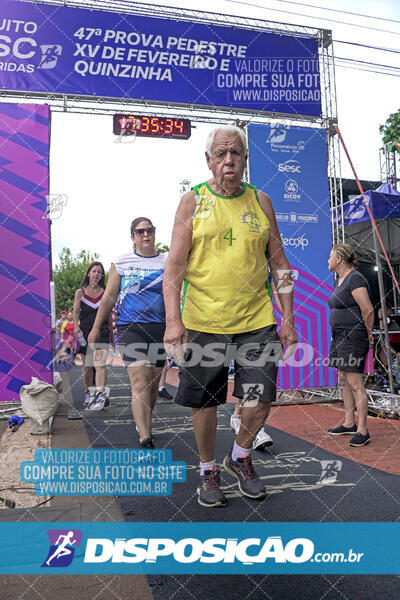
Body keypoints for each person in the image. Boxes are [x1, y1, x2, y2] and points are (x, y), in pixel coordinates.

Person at [163, 125, 297, 507]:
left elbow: (279, 263)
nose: (229, 161)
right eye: (221, 154)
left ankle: (240, 456)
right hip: (203, 321)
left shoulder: (261, 201)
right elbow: (173, 267)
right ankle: (208, 469)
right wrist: (174, 321)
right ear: (208, 161)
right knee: (205, 402)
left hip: (256, 321)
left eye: (235, 153)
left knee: (261, 396)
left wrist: (287, 317)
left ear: (245, 159)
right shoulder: (194, 201)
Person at [88, 218, 166, 448]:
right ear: (132, 236)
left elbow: (175, 293)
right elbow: (109, 296)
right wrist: (95, 327)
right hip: (130, 328)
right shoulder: (122, 262)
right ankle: (145, 437)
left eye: (149, 230)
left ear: (154, 233)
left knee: (151, 388)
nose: (145, 235)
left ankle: (144, 422)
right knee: (139, 381)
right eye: (140, 231)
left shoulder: (166, 260)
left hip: (159, 328)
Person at [327, 243, 374, 447]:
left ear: (339, 259)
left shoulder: (355, 278)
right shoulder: (340, 279)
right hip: (339, 336)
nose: (328, 260)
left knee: (355, 383)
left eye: (330, 256)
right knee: (343, 379)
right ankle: (349, 423)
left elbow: (368, 310)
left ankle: (363, 430)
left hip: (353, 335)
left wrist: (369, 334)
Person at [73, 262, 112, 410]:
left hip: (101, 332)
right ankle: (89, 392)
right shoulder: (80, 292)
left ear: (102, 276)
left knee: (100, 364)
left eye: (99, 272)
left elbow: (108, 314)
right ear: (88, 274)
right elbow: (75, 311)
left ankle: (101, 394)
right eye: (94, 271)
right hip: (85, 332)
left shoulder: (105, 292)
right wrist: (76, 327)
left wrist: (110, 331)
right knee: (87, 366)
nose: (96, 274)